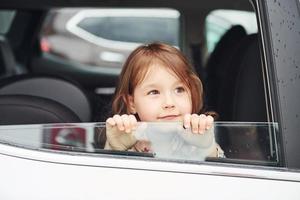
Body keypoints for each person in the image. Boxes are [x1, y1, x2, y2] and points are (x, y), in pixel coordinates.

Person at [104, 42, 223, 158]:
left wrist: (206, 148)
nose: (169, 103)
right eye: (154, 92)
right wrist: (115, 149)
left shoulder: (198, 138)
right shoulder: (124, 141)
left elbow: (222, 174)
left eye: (179, 90)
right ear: (132, 103)